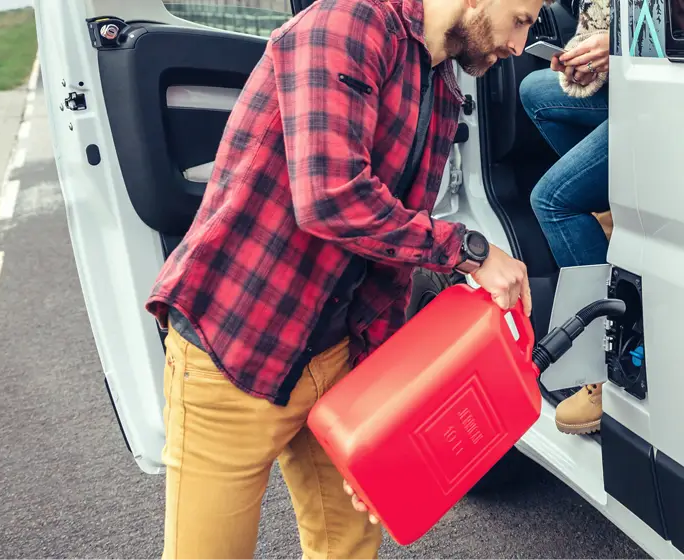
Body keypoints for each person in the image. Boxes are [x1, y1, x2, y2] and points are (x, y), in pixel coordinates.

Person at [145, 0, 544, 555]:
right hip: (236, 347)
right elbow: (332, 200)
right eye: (521, 19)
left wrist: (375, 398)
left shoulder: (444, 87)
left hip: (335, 355)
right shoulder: (348, 24)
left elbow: (391, 254)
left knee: (349, 546)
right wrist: (470, 250)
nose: (520, 47)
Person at [519, 0, 609, 435]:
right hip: (635, 77)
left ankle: (606, 364)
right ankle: (612, 211)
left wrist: (619, 48)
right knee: (536, 90)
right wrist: (584, 59)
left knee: (552, 200)